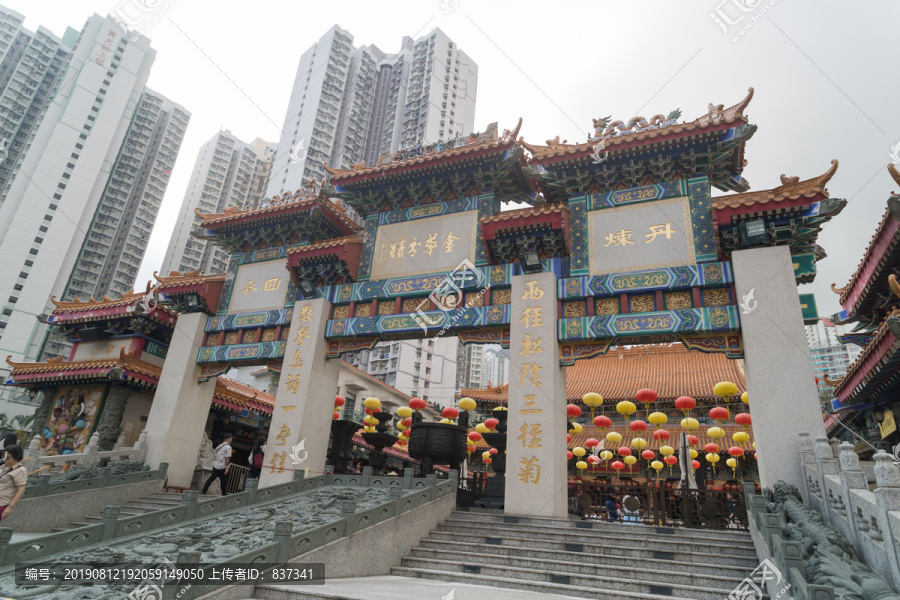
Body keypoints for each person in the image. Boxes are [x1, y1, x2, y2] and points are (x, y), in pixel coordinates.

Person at [0, 445, 27, 522]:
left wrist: (10, 507)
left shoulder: (20, 470)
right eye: (3, 456)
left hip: (2, 502)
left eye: (8, 457)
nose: (5, 459)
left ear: (17, 457)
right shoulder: (3, 466)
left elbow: (21, 490)